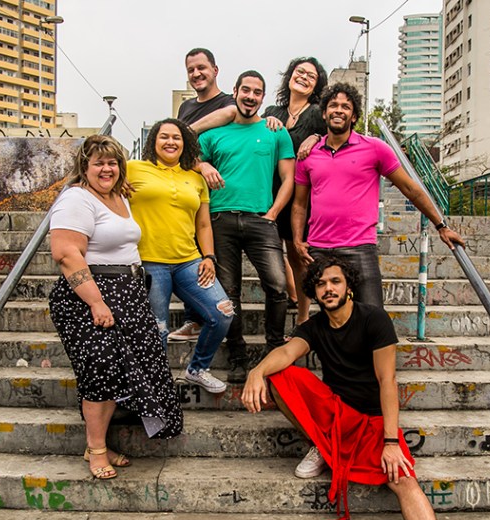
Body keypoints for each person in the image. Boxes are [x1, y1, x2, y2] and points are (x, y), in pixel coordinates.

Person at [241, 256, 439, 520]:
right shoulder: (313, 327)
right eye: (321, 284)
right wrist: (256, 371)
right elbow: (287, 352)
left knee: (403, 479)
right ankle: (323, 447)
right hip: (337, 415)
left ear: (349, 287)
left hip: (373, 422)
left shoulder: (374, 319)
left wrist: (391, 442)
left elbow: (387, 381)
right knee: (280, 375)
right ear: (314, 292)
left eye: (335, 281)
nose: (329, 289)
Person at [47, 135, 183, 481]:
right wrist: (96, 302)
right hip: (92, 295)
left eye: (112, 163)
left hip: (128, 292)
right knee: (101, 371)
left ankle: (99, 445)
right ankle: (96, 450)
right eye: (99, 163)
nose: (106, 169)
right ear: (85, 166)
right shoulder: (76, 198)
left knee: (120, 371)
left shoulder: (118, 196)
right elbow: (66, 253)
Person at [292, 83, 465, 308]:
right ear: (324, 113)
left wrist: (441, 225)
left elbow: (410, 189)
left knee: (373, 315)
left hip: (359, 247)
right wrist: (297, 240)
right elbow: (299, 204)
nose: (339, 110)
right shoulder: (308, 154)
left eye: (346, 107)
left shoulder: (375, 148)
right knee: (329, 320)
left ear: (354, 116)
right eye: (333, 105)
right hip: (319, 247)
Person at [198, 70, 296, 383]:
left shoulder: (275, 132)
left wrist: (273, 213)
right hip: (220, 219)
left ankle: (274, 349)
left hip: (260, 219)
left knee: (278, 285)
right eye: (246, 90)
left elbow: (289, 178)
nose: (250, 97)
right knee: (229, 292)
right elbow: (188, 159)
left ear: (263, 98)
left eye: (257, 92)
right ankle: (237, 356)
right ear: (236, 92)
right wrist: (203, 164)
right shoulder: (213, 135)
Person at [126, 118, 234, 394]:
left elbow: (204, 224)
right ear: (153, 141)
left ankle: (197, 369)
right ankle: (157, 386)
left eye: (177, 137)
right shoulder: (133, 169)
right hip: (149, 263)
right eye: (164, 136)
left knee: (222, 312)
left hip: (189, 261)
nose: (170, 142)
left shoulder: (196, 178)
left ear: (185, 144)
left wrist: (209, 257)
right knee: (158, 329)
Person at [168, 47, 235, 343]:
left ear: (215, 70)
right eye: (191, 70)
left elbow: (230, 114)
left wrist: (184, 131)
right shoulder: (185, 107)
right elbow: (179, 152)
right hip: (190, 193)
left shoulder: (229, 102)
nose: (196, 74)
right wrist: (200, 163)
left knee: (217, 262)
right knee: (192, 257)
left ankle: (220, 321)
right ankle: (194, 319)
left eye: (201, 68)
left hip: (222, 196)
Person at [261, 57, 328, 326]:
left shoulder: (317, 113)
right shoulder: (273, 112)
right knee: (271, 252)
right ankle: (291, 293)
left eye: (311, 76)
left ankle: (302, 317)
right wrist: (265, 122)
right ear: (289, 76)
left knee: (296, 253)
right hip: (271, 190)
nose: (303, 77)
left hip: (301, 194)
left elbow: (334, 137)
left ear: (316, 86)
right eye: (300, 72)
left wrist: (316, 137)